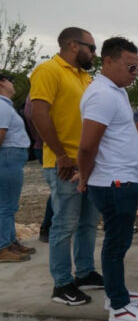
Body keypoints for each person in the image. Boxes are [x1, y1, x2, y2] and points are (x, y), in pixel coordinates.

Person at [77, 37, 138, 321]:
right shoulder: (102, 95)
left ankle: (117, 293)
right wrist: (84, 176)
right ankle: (119, 308)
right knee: (115, 243)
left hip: (123, 178)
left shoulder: (116, 91)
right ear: (107, 62)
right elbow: (87, 145)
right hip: (114, 181)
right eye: (130, 67)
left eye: (137, 67)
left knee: (119, 242)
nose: (135, 73)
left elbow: (119, 131)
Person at [30, 27, 104, 305]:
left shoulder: (85, 77)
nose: (95, 54)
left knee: (87, 223)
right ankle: (61, 284)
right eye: (92, 48)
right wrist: (61, 155)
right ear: (74, 45)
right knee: (65, 225)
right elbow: (39, 113)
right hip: (64, 164)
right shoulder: (49, 70)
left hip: (87, 164)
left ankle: (84, 273)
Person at [0, 73, 32, 263]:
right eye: (10, 80)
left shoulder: (6, 106)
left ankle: (10, 242)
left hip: (11, 156)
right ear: (2, 83)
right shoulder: (2, 106)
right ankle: (3, 246)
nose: (13, 84)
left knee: (9, 204)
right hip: (8, 156)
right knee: (6, 204)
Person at [23, 95, 54, 242]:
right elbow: (38, 120)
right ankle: (48, 228)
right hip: (46, 147)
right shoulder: (37, 98)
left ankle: (49, 227)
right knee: (59, 189)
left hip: (44, 146)